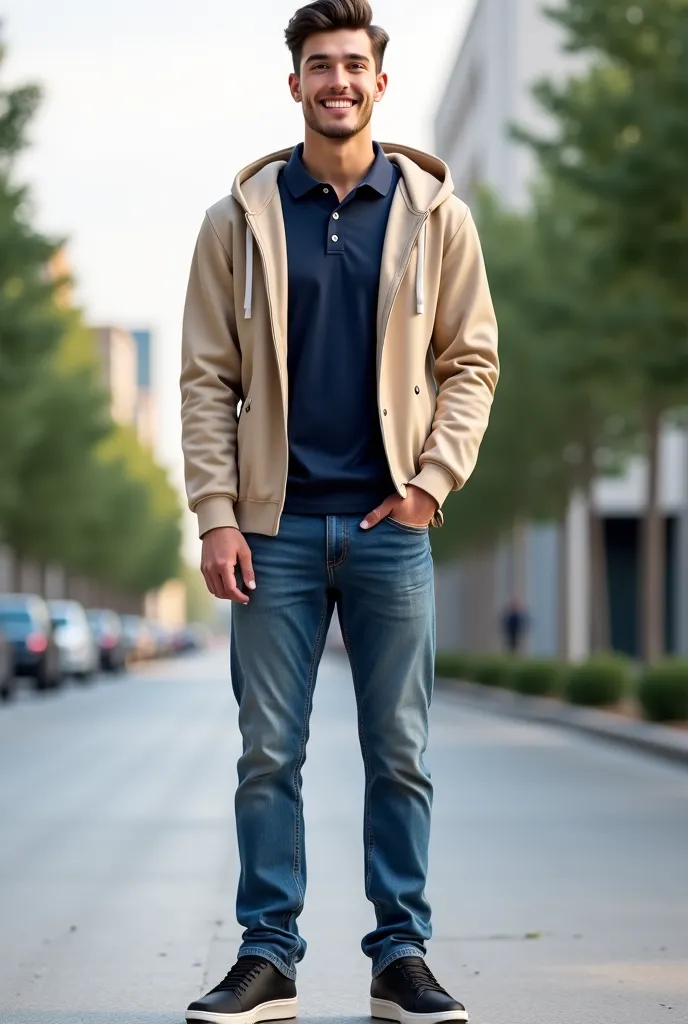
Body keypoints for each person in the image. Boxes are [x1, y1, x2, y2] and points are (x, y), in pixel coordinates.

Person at [180, 1, 499, 1021]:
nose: (337, 81)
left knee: (398, 753)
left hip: (387, 531)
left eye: (353, 65)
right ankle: (268, 955)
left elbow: (471, 361)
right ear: (295, 84)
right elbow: (202, 379)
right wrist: (216, 512)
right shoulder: (238, 220)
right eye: (319, 65)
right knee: (267, 752)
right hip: (269, 533)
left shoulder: (434, 214)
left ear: (378, 82)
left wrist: (430, 481)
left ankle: (399, 954)